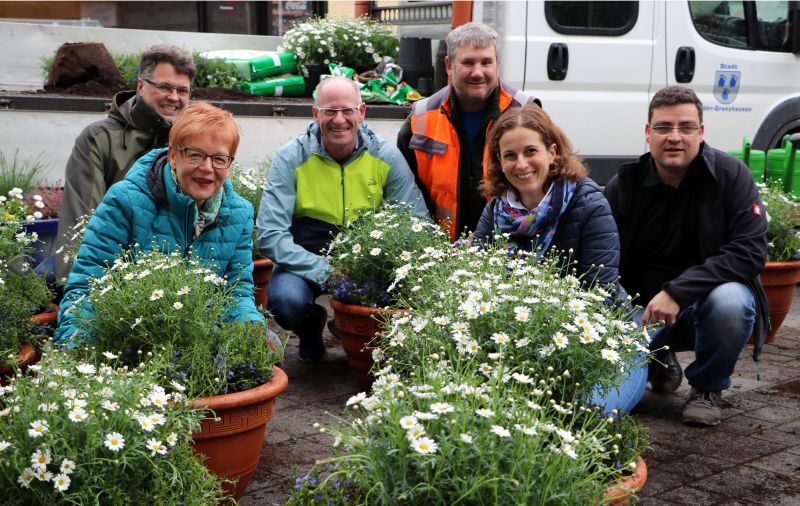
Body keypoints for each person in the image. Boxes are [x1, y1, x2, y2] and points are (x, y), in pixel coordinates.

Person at [605, 86, 769, 427]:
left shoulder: (730, 176)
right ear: (648, 133)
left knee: (732, 302)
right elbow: (605, 257)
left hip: (703, 307)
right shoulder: (625, 186)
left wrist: (677, 292)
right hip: (641, 311)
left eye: (686, 127)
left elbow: (750, 251)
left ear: (701, 132)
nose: (674, 137)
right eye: (664, 127)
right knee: (614, 395)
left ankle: (707, 387)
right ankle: (655, 357)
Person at [473, 104, 645, 413]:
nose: (521, 164)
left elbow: (598, 294)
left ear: (552, 152)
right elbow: (476, 284)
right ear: (499, 161)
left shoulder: (588, 204)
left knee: (585, 415)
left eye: (530, 151)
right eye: (510, 155)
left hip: (604, 341)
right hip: (521, 340)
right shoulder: (495, 212)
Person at [54, 102, 264, 343]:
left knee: (266, 344)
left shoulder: (240, 213)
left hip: (200, 338)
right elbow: (87, 287)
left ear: (230, 164)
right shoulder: (125, 201)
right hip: (131, 336)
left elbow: (237, 293)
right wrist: (76, 351)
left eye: (219, 159)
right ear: (173, 155)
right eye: (195, 155)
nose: (207, 168)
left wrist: (251, 332)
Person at [257, 76, 429, 363]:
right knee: (286, 301)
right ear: (315, 114)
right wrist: (327, 272)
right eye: (330, 111)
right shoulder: (290, 157)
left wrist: (377, 267)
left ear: (362, 112)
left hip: (366, 257)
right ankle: (311, 326)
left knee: (403, 293)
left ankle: (351, 330)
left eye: (347, 111)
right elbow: (270, 235)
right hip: (306, 253)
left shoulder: (386, 155)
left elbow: (417, 222)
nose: (339, 120)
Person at [54, 44, 196, 289]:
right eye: (164, 87)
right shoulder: (99, 138)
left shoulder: (195, 141)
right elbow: (81, 221)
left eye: (182, 90)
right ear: (141, 86)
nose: (174, 97)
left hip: (178, 280)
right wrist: (74, 290)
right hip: (111, 272)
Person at [397, 22, 540, 241]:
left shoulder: (525, 111)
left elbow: (550, 187)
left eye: (486, 62)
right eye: (468, 62)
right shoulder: (421, 117)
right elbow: (404, 193)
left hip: (512, 250)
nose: (478, 72)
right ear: (449, 65)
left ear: (498, 64)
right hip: (440, 253)